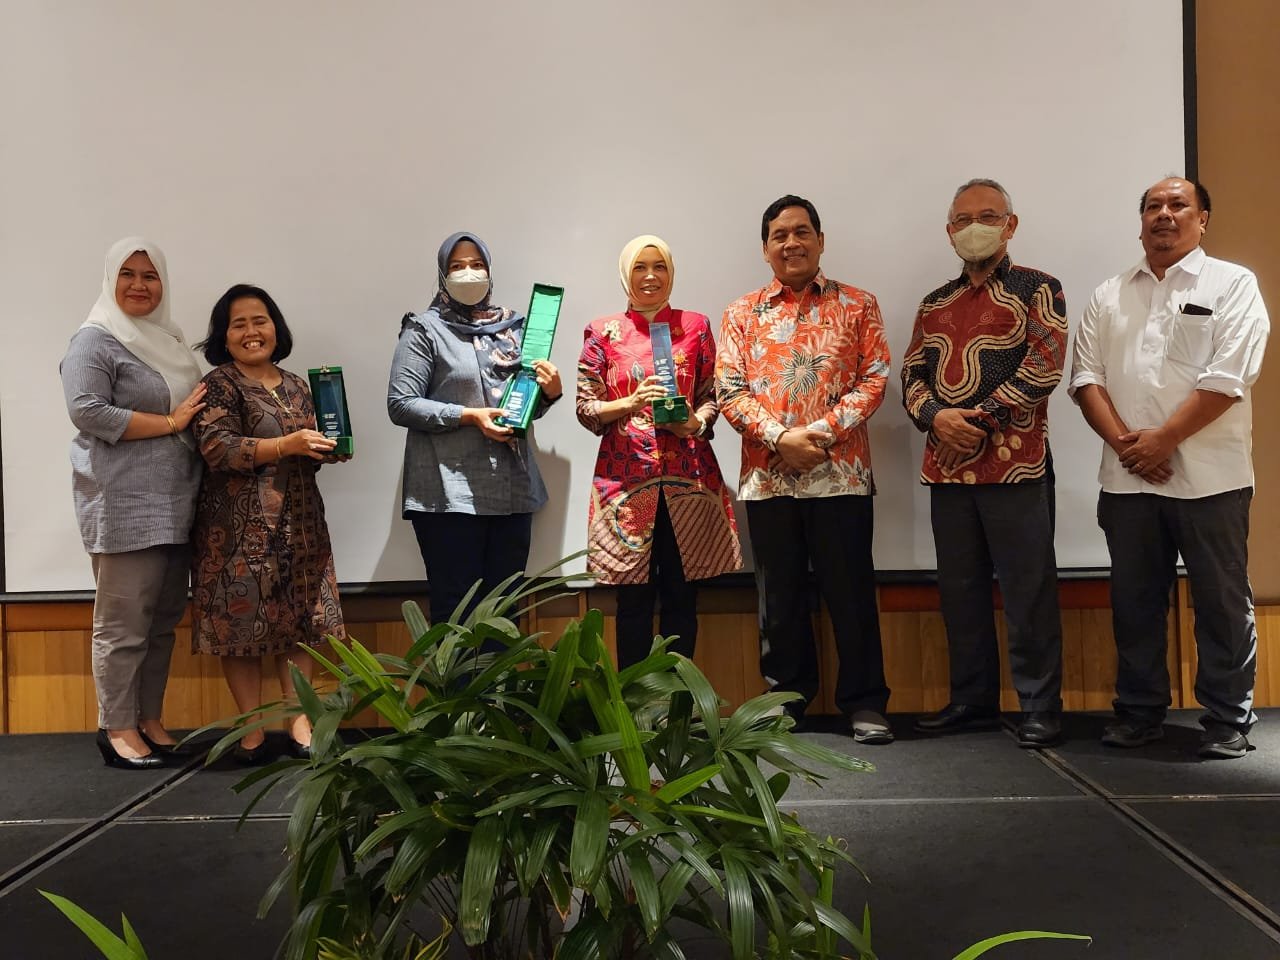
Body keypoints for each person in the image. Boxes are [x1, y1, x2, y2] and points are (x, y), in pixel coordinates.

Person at [1070, 176, 1270, 760]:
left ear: (1202, 219)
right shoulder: (1109, 293)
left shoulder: (1233, 284)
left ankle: (1228, 717)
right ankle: (1139, 712)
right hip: (1128, 481)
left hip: (1211, 480)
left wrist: (1166, 440)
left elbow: (1228, 377)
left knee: (1221, 602)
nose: (1164, 213)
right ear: (1141, 222)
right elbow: (1085, 379)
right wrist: (1131, 448)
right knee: (1135, 603)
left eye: (1179, 205)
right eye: (1153, 206)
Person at [715, 195, 893, 744]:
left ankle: (865, 702)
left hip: (840, 474)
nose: (790, 243)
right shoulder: (741, 313)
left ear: (820, 240)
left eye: (801, 232)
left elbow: (875, 377)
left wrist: (819, 435)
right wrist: (780, 439)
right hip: (768, 478)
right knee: (779, 601)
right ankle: (786, 702)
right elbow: (729, 390)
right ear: (765, 248)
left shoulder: (858, 305)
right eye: (779, 235)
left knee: (851, 594)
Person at [902, 178, 1068, 748]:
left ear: (1010, 225)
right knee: (960, 591)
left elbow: (1044, 367)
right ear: (950, 232)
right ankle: (971, 700)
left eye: (988, 216)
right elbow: (912, 375)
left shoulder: (1039, 289)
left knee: (1028, 591)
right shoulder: (934, 303)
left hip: (1015, 468)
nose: (975, 227)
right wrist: (935, 418)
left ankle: (1040, 706)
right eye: (963, 219)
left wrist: (974, 424)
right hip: (947, 471)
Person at [60, 237, 207, 769]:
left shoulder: (170, 339)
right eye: (128, 274)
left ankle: (149, 720)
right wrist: (170, 422)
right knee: (123, 626)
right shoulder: (94, 339)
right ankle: (117, 727)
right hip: (123, 503)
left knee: (162, 622)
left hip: (177, 501)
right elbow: (86, 409)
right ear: (110, 279)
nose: (140, 285)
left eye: (150, 275)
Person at [190, 284, 346, 763]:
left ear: (276, 328)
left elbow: (309, 449)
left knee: (302, 624)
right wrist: (286, 445)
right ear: (224, 335)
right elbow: (217, 447)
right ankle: (252, 732)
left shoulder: (299, 384)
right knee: (241, 632)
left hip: (302, 525)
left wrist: (327, 449)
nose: (251, 331)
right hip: (238, 533)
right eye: (238, 324)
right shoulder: (219, 384)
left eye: (259, 320)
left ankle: (300, 724)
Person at [575, 235, 741, 667]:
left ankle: (679, 697)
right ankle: (634, 700)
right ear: (625, 274)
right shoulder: (602, 331)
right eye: (640, 267)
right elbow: (586, 408)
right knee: (632, 600)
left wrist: (696, 423)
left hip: (688, 478)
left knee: (682, 597)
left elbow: (712, 394)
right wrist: (629, 403)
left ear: (671, 272)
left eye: (659, 266)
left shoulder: (696, 326)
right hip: (626, 484)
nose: (650, 276)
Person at [387, 232, 562, 626]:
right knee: (456, 614)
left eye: (477, 264)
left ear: (489, 270)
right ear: (442, 274)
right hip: (449, 495)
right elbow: (401, 403)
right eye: (457, 266)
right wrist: (469, 416)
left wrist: (550, 393)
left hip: (512, 492)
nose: (469, 273)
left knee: (504, 614)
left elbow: (520, 407)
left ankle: (502, 674)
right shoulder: (424, 329)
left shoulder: (513, 328)